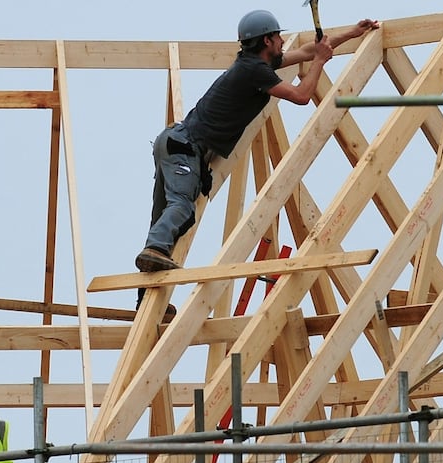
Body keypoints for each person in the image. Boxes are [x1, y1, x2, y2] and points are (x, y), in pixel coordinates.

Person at [134, 9, 380, 274]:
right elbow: (301, 95)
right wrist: (320, 62)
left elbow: (308, 51)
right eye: (278, 37)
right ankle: (154, 251)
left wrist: (351, 33)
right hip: (184, 147)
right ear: (266, 41)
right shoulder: (255, 71)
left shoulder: (254, 65)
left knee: (163, 217)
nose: (282, 42)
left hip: (174, 143)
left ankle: (146, 290)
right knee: (181, 206)